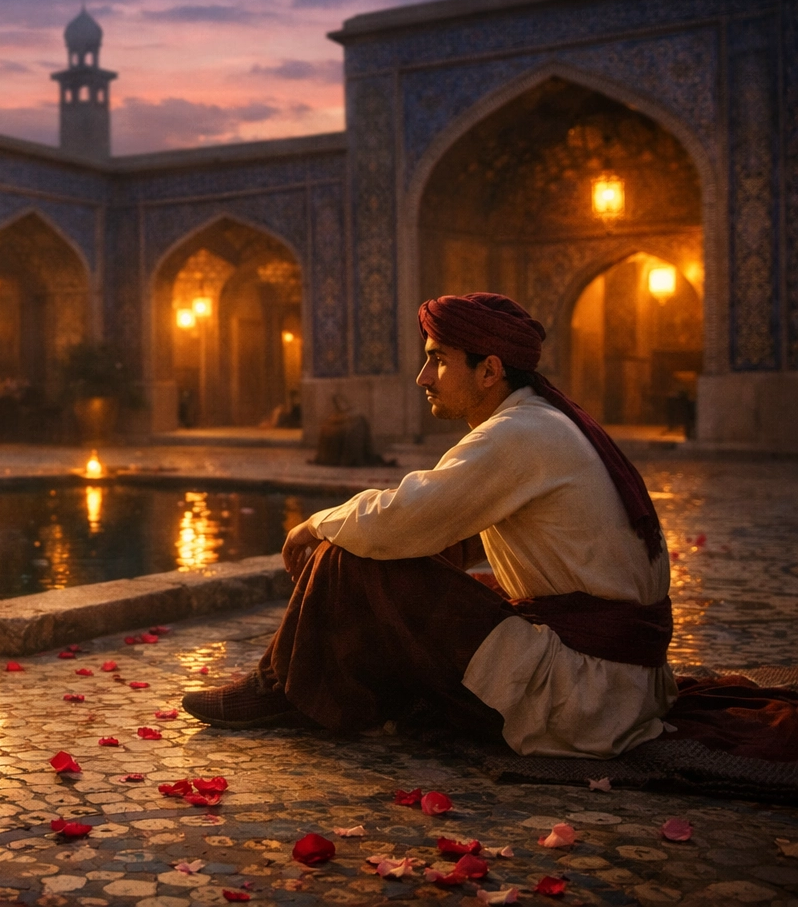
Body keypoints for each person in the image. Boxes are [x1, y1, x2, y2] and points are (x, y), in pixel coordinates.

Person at [182, 292, 674, 759]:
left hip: (585, 697)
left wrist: (314, 524)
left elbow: (399, 520)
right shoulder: (542, 422)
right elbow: (440, 530)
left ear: (489, 370)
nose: (422, 377)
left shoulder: (519, 432)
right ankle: (293, 684)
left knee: (352, 557)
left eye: (437, 360)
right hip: (620, 687)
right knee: (387, 555)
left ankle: (281, 689)